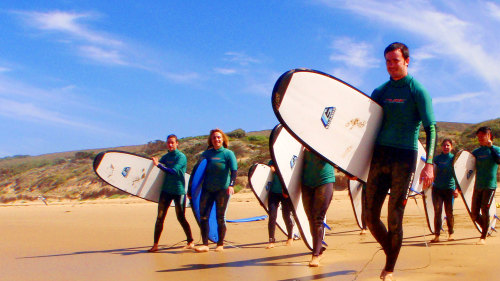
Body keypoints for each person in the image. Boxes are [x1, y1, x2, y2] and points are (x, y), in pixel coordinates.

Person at [366, 42, 437, 281]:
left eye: (395, 60)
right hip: (380, 156)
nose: (391, 65)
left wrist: (429, 164)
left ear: (407, 61)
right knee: (370, 217)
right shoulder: (380, 91)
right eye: (387, 61)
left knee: (394, 216)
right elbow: (366, 129)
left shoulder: (417, 90)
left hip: (404, 158)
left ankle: (389, 268)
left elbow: (431, 128)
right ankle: (392, 252)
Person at [191, 129, 238, 252]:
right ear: (211, 140)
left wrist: (231, 185)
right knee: (204, 217)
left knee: (220, 217)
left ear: (223, 139)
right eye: (214, 138)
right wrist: (191, 190)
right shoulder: (206, 154)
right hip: (207, 189)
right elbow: (197, 172)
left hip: (222, 190)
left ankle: (220, 244)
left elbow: (234, 171)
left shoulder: (228, 154)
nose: (216, 139)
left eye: (218, 137)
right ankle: (205, 245)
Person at [148, 134, 194, 252]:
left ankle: (190, 241)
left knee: (181, 217)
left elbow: (173, 171)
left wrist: (158, 165)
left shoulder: (181, 157)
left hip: (178, 191)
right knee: (160, 218)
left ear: (177, 143)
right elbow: (157, 170)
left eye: (172, 142)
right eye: (168, 142)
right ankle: (155, 245)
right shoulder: (165, 157)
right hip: (166, 191)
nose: (170, 144)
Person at [301, 148, 335, 267]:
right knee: (311, 218)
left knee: (318, 219)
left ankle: (315, 255)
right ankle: (319, 250)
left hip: (324, 179)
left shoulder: (324, 137)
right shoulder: (299, 139)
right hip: (306, 181)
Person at [471, 126, 500, 245]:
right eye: (478, 137)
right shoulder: (476, 152)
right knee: (474, 213)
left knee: (485, 209)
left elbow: (499, 161)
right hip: (478, 185)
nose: (480, 138)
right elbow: (467, 167)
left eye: (482, 136)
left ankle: (483, 237)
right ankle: (486, 228)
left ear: (489, 136)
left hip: (489, 185)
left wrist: (491, 147)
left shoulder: (496, 149)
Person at [430, 139, 458, 243]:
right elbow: (431, 172)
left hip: (449, 189)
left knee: (449, 212)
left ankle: (451, 234)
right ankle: (437, 235)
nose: (446, 147)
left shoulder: (454, 159)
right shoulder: (437, 159)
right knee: (437, 212)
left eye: (448, 145)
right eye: (444, 145)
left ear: (451, 147)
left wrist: (457, 189)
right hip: (437, 189)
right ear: (441, 147)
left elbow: (457, 175)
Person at [266, 160, 294, 249]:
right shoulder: (271, 162)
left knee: (285, 215)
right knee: (272, 216)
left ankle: (290, 237)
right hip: (273, 193)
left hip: (285, 193)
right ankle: (271, 240)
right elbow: (265, 178)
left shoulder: (287, 160)